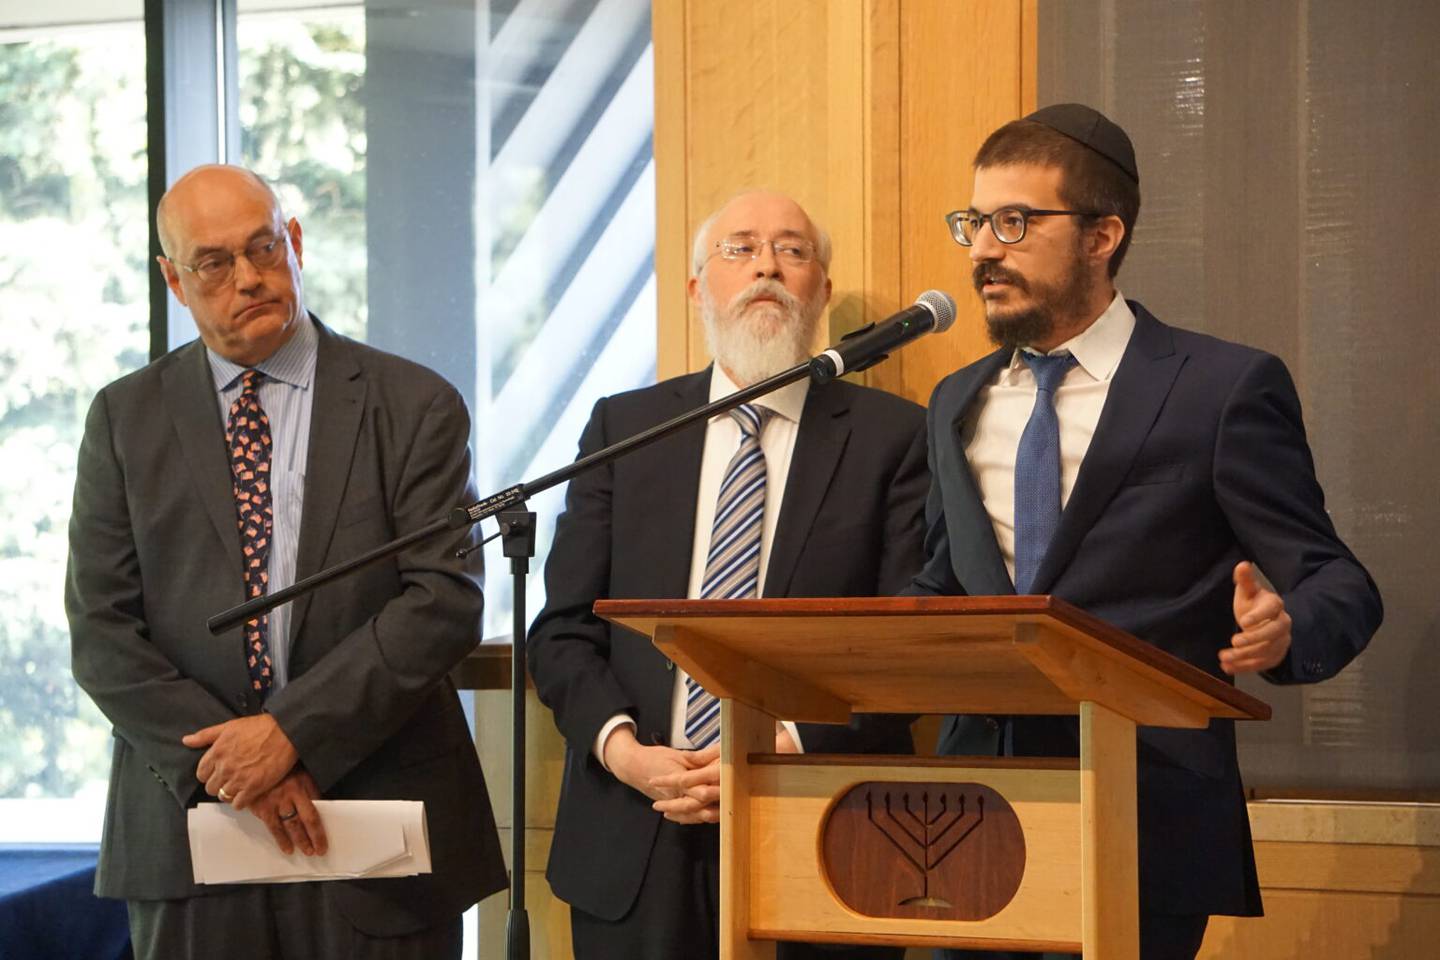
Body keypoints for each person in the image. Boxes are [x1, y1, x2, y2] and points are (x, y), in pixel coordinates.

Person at [907, 104, 1384, 960]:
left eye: (1015, 222)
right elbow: (948, 581)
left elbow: (1338, 583)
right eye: (973, 222)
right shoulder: (956, 404)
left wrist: (1283, 631)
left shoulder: (1220, 388)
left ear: (1102, 235)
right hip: (968, 816)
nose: (982, 249)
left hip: (1146, 812)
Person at [65, 164, 506, 960]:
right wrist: (241, 766)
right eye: (214, 263)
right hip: (191, 829)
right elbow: (102, 631)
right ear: (174, 280)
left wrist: (290, 734)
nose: (248, 277)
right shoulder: (123, 419)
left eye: (263, 248)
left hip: (380, 833)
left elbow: (442, 601)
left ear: (295, 243)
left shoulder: (413, 406)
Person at [527, 190, 930, 959]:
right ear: (695, 289)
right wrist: (624, 752)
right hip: (637, 826)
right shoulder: (628, 429)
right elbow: (565, 629)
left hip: (821, 827)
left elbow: (906, 636)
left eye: (792, 251)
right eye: (739, 249)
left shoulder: (893, 439)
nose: (767, 269)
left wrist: (782, 742)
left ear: (823, 292)